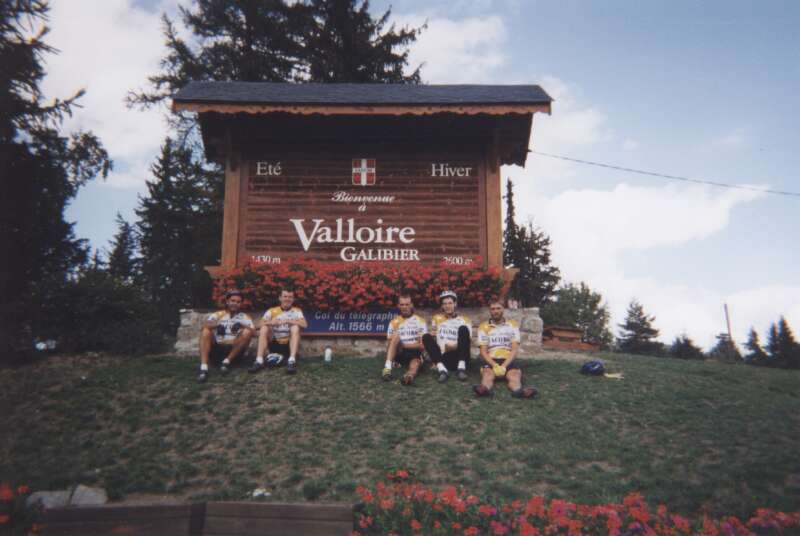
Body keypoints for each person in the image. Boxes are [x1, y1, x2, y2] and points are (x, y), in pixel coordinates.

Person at [473, 300, 537, 399]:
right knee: (487, 375)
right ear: (490, 311)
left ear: (503, 309)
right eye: (493, 309)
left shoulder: (512, 325)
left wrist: (503, 366)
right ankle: (484, 390)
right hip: (491, 359)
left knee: (514, 376)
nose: (496, 311)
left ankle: (518, 391)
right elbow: (483, 351)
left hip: (508, 359)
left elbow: (514, 349)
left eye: (498, 308)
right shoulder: (483, 326)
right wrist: (494, 365)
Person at [197, 289, 255, 383]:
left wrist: (242, 325)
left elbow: (254, 333)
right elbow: (204, 326)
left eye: (238, 302)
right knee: (206, 331)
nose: (235, 304)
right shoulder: (218, 314)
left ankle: (226, 362)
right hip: (217, 349)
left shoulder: (245, 317)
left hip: (234, 351)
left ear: (241, 304)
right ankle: (203, 368)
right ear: (227, 301)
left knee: (247, 332)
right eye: (232, 301)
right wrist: (217, 325)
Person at [250, 288, 307, 375]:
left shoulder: (297, 311)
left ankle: (291, 361)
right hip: (274, 342)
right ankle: (259, 361)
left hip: (289, 345)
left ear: (293, 299)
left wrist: (290, 321)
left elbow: (304, 325)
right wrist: (271, 323)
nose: (287, 299)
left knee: (295, 327)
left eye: (290, 297)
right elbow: (257, 325)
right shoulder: (272, 311)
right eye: (285, 296)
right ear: (280, 298)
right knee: (264, 328)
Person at [422, 290, 471, 383]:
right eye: (444, 304)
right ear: (442, 306)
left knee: (463, 329)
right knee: (426, 336)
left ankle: (461, 369)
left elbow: (467, 341)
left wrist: (452, 347)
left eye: (450, 303)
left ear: (455, 304)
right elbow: (434, 338)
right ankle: (442, 370)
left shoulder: (465, 320)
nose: (447, 306)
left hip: (460, 355)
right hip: (444, 357)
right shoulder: (436, 319)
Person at [383, 294, 427, 385]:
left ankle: (409, 376)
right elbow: (390, 344)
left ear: (412, 305)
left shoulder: (420, 321)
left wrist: (405, 345)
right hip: (399, 352)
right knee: (396, 336)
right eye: (402, 305)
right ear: (398, 306)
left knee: (416, 363)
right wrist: (400, 346)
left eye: (407, 304)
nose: (404, 307)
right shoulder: (394, 322)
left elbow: (422, 346)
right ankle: (387, 369)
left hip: (414, 352)